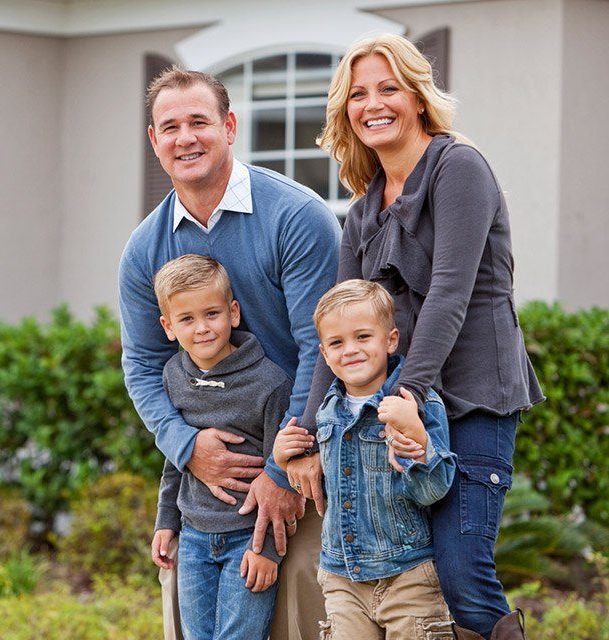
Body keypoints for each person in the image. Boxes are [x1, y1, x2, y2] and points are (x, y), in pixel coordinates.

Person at [288, 34, 543, 640]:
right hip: (401, 405)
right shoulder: (362, 212)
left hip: (472, 396)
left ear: (418, 97)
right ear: (344, 110)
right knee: (404, 575)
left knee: (461, 569)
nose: (372, 104)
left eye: (387, 88)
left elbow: (452, 290)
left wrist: (406, 397)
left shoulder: (459, 169)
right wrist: (302, 432)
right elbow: (336, 324)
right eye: (358, 94)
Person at [119, 67, 341, 640]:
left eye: (200, 121)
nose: (185, 138)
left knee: (292, 615)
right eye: (170, 127)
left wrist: (281, 470)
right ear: (153, 141)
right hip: (201, 491)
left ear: (230, 126)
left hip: (303, 457)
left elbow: (322, 351)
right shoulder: (144, 250)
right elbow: (143, 364)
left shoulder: (296, 217)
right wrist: (186, 447)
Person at [274, 280, 456, 639]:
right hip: (342, 576)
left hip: (407, 575)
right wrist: (283, 459)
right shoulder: (325, 412)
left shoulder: (416, 405)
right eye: (337, 343)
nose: (350, 350)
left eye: (363, 337)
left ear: (390, 340)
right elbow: (331, 487)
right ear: (324, 354)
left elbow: (434, 490)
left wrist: (418, 442)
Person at [149, 255, 291, 639]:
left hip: (248, 538)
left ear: (233, 312)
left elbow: (284, 473)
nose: (202, 328)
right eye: (187, 319)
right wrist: (167, 522)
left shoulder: (270, 383)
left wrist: (268, 551)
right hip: (194, 537)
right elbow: (176, 458)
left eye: (211, 314)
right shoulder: (173, 377)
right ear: (168, 327)